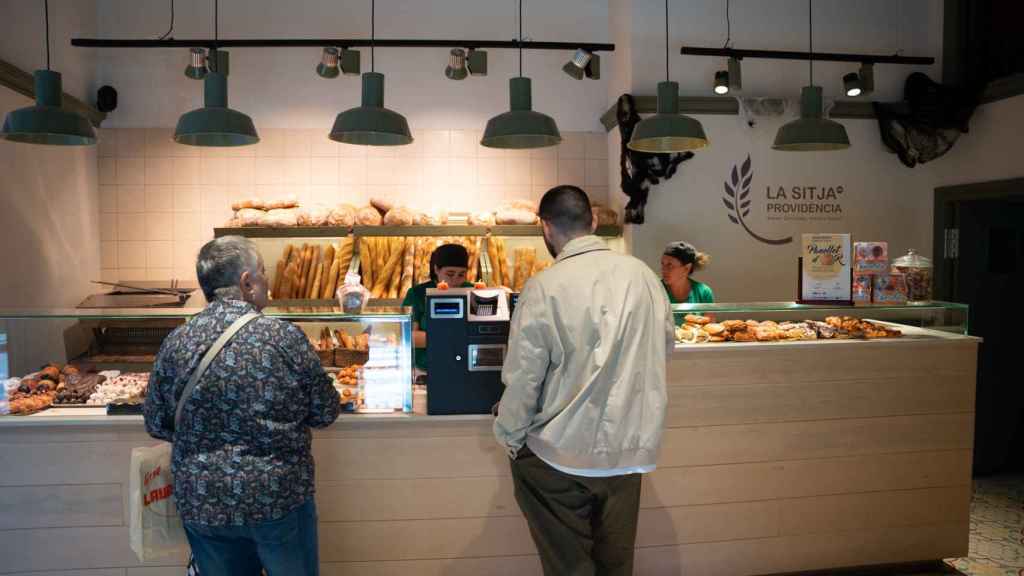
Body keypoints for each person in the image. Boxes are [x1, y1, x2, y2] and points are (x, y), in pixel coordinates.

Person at [494, 185, 674, 576]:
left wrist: (509, 438)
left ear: (545, 227)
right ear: (593, 221)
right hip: (628, 456)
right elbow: (663, 349)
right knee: (616, 566)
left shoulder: (543, 287)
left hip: (559, 456)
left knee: (570, 567)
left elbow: (525, 378)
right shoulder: (643, 276)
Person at [143, 236, 340, 576]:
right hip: (277, 496)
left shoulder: (177, 341)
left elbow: (157, 423)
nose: (267, 281)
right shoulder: (283, 337)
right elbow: (325, 412)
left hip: (203, 499)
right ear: (247, 282)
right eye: (263, 273)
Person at [401, 243, 473, 375]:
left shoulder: (472, 291)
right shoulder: (417, 293)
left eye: (461, 274)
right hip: (425, 370)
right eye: (450, 274)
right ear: (436, 269)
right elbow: (409, 336)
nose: (456, 280)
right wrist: (453, 338)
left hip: (465, 368)